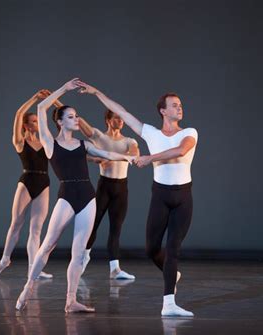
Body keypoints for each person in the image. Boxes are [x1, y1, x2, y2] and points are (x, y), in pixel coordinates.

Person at [77, 80, 198, 317]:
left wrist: (149, 159)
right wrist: (96, 92)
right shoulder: (150, 133)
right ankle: (171, 273)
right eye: (174, 105)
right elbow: (121, 111)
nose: (179, 108)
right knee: (151, 249)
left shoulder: (189, 132)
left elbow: (180, 151)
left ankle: (169, 304)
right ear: (163, 110)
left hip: (183, 197)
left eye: (180, 105)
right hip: (161, 195)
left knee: (172, 249)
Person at [15, 79, 134, 313]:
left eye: (76, 116)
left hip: (88, 196)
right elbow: (41, 108)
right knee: (48, 244)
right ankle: (28, 286)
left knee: (79, 253)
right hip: (67, 195)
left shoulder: (83, 144)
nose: (76, 119)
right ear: (59, 122)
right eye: (70, 117)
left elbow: (107, 153)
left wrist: (128, 158)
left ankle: (71, 301)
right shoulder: (50, 143)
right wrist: (63, 90)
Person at [0, 89, 61, 279]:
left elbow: (62, 118)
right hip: (27, 182)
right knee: (16, 224)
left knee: (36, 229)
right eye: (34, 121)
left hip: (43, 182)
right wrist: (35, 98)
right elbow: (18, 114)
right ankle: (5, 259)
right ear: (26, 125)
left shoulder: (47, 142)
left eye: (38, 121)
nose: (37, 123)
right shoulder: (20, 141)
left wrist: (53, 101)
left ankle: (34, 269)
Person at [78, 111, 139, 279]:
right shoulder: (99, 137)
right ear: (108, 120)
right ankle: (83, 258)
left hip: (121, 188)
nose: (120, 121)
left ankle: (115, 269)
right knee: (93, 224)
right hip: (105, 186)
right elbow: (79, 121)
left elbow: (135, 155)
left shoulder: (129, 141)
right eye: (116, 118)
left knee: (115, 228)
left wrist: (108, 158)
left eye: (122, 119)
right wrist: (94, 159)